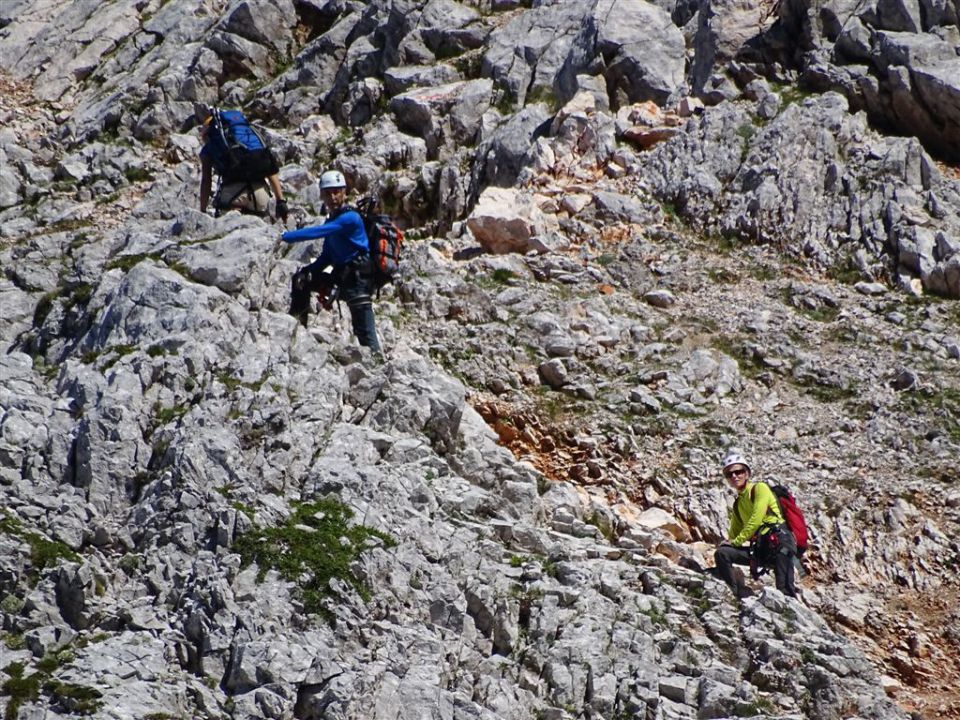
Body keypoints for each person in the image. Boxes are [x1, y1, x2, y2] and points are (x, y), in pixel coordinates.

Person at [280, 170, 381, 354]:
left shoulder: (350, 218)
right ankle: (297, 327)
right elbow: (327, 256)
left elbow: (319, 232)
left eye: (337, 192)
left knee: (364, 330)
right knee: (302, 280)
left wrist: (286, 237)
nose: (333, 197)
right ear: (321, 195)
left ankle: (378, 362)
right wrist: (308, 271)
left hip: (359, 278)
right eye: (328, 193)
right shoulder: (334, 219)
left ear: (344, 193)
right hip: (342, 275)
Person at [714, 452, 798, 599]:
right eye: (729, 474)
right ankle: (732, 594)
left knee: (784, 589)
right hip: (760, 548)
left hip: (779, 543)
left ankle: (791, 615)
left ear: (747, 473)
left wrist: (737, 541)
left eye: (738, 471)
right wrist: (729, 543)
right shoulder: (738, 504)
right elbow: (733, 535)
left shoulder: (760, 488)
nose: (734, 476)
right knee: (722, 553)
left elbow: (756, 519)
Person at [198, 110, 287, 221]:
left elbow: (206, 180)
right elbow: (271, 171)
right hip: (260, 197)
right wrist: (281, 201)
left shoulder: (210, 147)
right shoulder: (253, 142)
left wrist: (202, 210)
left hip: (233, 198)